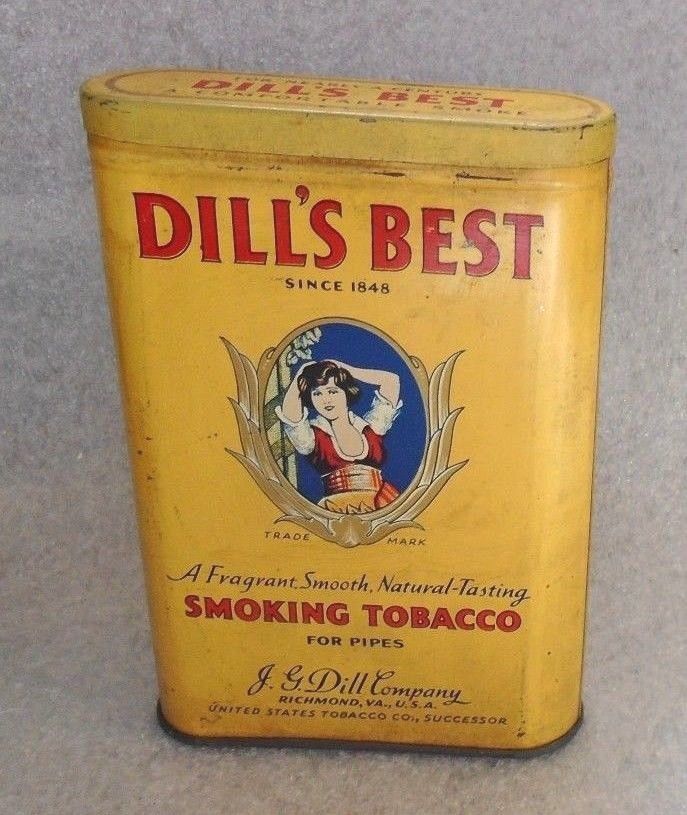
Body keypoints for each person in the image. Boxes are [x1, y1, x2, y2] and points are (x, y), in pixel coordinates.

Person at [275, 359, 403, 513]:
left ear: (346, 392)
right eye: (317, 393)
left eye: (332, 391)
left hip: (382, 504)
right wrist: (302, 372)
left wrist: (346, 369)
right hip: (338, 509)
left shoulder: (371, 427)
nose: (326, 400)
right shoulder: (314, 436)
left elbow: (391, 381)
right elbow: (291, 415)